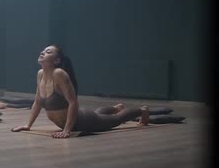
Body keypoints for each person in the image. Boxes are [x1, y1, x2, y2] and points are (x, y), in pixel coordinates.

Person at [11, 45, 149, 139]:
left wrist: (67, 130)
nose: (43, 52)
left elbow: (73, 102)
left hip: (83, 121)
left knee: (116, 120)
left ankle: (142, 110)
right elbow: (37, 102)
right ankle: (115, 108)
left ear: (57, 60)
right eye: (43, 50)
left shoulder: (59, 73)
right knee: (99, 114)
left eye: (48, 52)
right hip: (76, 118)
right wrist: (28, 125)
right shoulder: (40, 73)